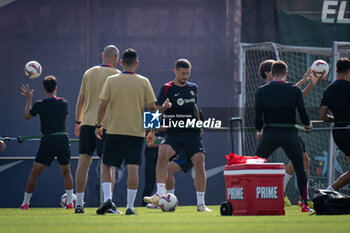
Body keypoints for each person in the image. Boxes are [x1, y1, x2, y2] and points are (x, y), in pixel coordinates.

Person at [95, 48, 157, 215]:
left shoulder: (111, 80)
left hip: (114, 130)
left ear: (121, 62)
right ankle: (130, 207)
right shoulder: (144, 81)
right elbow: (152, 107)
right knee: (133, 168)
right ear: (136, 63)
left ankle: (108, 199)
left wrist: (97, 124)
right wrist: (151, 131)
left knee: (107, 165)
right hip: (136, 132)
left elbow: (102, 105)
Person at [144, 59, 212, 212]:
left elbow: (195, 107)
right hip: (174, 133)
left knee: (200, 162)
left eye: (188, 73)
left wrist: (199, 123)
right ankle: (160, 196)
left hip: (192, 134)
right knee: (162, 153)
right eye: (183, 73)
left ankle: (201, 204)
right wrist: (153, 128)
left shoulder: (193, 88)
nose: (185, 76)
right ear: (175, 71)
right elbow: (155, 112)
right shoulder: (166, 88)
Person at [258, 59, 320, 205]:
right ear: (268, 73)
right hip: (281, 130)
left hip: (287, 130)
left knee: (304, 160)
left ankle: (300, 198)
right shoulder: (265, 89)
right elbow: (292, 94)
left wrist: (308, 83)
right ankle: (281, 192)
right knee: (300, 161)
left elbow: (293, 94)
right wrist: (305, 83)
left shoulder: (281, 88)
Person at [74, 45, 121, 214]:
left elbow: (81, 100)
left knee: (83, 163)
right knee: (109, 165)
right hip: (107, 125)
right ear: (116, 57)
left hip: (87, 123)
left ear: (102, 56)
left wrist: (78, 122)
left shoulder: (89, 72)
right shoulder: (118, 75)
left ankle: (79, 204)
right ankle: (108, 204)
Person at [19, 76, 74, 210]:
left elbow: (27, 115)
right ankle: (70, 203)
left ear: (43, 88)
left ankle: (25, 204)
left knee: (34, 173)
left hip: (49, 140)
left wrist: (29, 99)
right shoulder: (63, 103)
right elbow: (65, 117)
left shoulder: (39, 104)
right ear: (56, 88)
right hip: (62, 139)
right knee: (66, 172)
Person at [320, 57, 350, 191]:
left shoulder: (329, 90)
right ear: (348, 71)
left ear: (336, 70)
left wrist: (335, 119)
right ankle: (327, 192)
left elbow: (323, 116)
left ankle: (328, 191)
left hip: (339, 132)